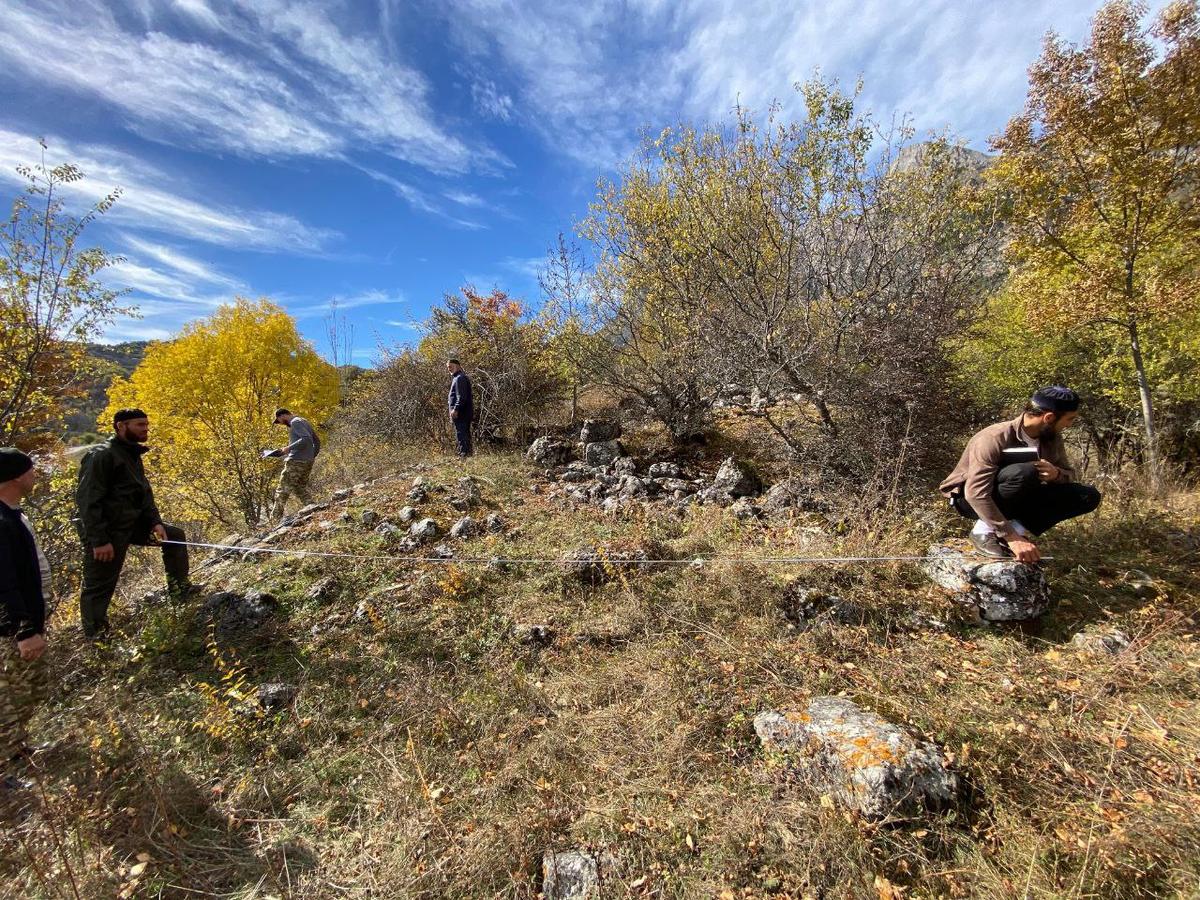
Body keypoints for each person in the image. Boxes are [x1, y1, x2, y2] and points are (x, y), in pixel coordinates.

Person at [940, 386, 1102, 563]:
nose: (1069, 425)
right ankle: (983, 531)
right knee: (1027, 471)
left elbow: (1068, 474)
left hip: (1019, 498)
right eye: (1069, 419)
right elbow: (976, 493)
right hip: (970, 500)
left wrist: (1056, 474)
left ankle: (1016, 529)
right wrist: (1012, 538)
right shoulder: (994, 437)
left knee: (1087, 495)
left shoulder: (1052, 437)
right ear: (1049, 417)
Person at [75, 409, 194, 638]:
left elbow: (144, 493)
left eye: (146, 424)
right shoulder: (101, 455)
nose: (145, 429)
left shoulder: (131, 454)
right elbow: (88, 500)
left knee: (174, 536)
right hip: (107, 532)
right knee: (98, 585)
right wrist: (99, 541)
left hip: (132, 525)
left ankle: (181, 592)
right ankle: (97, 638)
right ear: (121, 426)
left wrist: (155, 523)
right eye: (140, 424)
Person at [0, 448, 50, 798]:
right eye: (31, 468)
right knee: (8, 698)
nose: (35, 473)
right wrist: (24, 631)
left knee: (29, 690)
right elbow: (2, 582)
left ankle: (17, 748)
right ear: (16, 476)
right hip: (10, 631)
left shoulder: (13, 515)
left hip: (26, 623)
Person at [266, 408, 320, 520]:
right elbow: (317, 441)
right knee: (299, 488)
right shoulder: (303, 421)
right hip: (307, 461)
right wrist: (311, 456)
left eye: (279, 421)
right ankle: (312, 507)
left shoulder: (295, 422)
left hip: (296, 461)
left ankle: (274, 521)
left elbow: (306, 439)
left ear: (282, 416)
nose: (281, 424)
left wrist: (288, 448)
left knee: (282, 491)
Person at [447, 359, 474, 457]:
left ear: (458, 366)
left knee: (462, 435)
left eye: (450, 366)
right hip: (463, 413)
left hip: (461, 413)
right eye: (448, 367)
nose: (449, 369)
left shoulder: (459, 378)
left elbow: (461, 397)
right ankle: (467, 456)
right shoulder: (458, 377)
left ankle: (464, 456)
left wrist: (455, 409)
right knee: (464, 435)